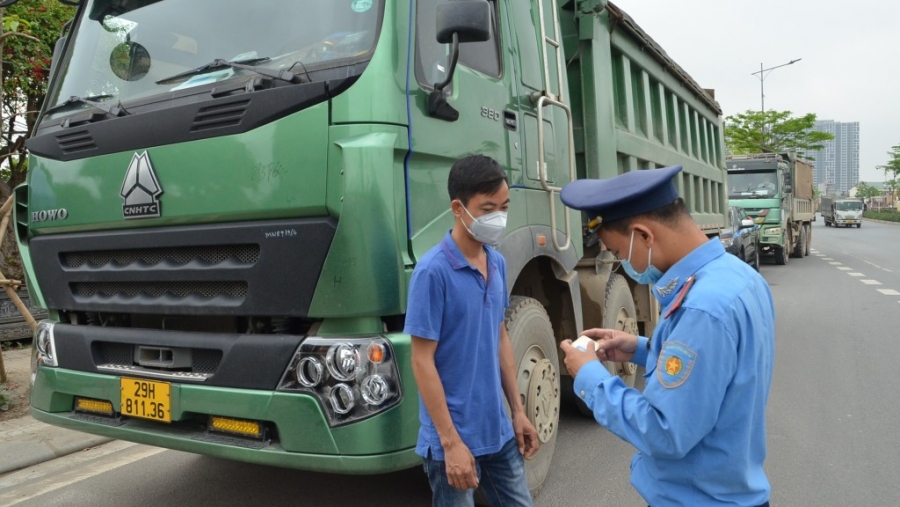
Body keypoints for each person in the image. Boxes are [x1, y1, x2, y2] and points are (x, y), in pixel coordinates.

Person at [557, 165, 775, 507]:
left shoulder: (702, 308)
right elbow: (720, 366)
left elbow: (665, 432)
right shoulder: (738, 277)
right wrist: (642, 348)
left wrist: (590, 378)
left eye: (617, 251)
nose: (621, 261)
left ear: (644, 235)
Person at [405, 155, 540, 507]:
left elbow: (499, 338)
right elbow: (422, 361)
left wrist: (518, 411)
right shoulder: (432, 273)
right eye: (487, 208)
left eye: (504, 207)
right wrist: (451, 444)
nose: (498, 217)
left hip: (498, 431)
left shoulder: (496, 261)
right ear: (458, 207)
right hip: (453, 439)